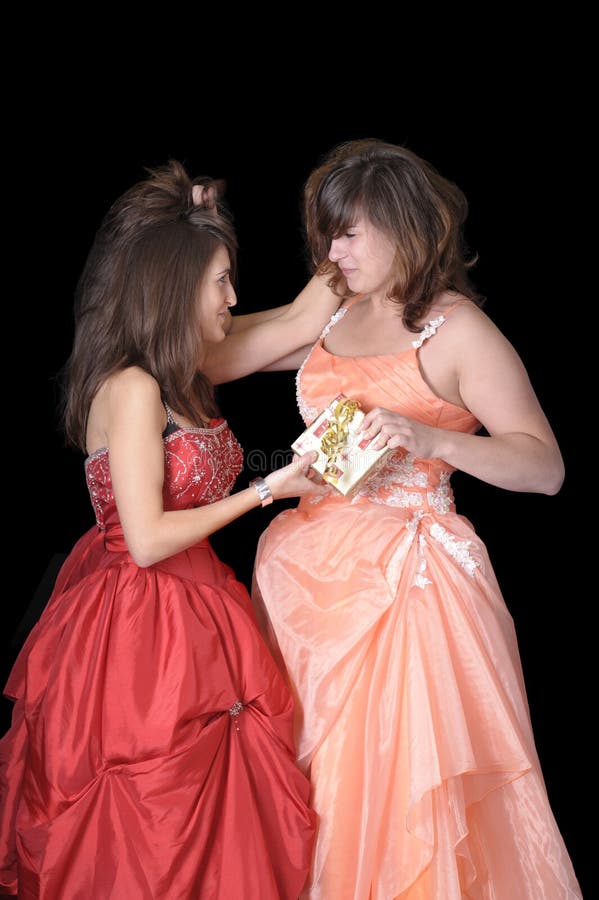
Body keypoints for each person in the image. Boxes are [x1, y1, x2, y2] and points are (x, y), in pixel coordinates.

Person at [0, 160, 343, 899]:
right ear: (175, 284)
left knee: (224, 823)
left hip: (198, 610)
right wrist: (267, 490)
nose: (233, 296)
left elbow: (300, 324)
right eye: (219, 280)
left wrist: (342, 221)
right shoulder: (130, 388)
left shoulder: (190, 368)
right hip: (135, 627)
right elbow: (149, 540)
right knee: (147, 827)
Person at [249, 140, 583, 899]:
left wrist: (432, 438)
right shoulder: (332, 309)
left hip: (411, 587)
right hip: (308, 582)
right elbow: (213, 355)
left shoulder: (455, 328)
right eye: (326, 232)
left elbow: (544, 468)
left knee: (397, 779)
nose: (332, 250)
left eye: (349, 232)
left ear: (403, 226)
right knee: (315, 777)